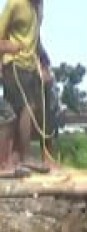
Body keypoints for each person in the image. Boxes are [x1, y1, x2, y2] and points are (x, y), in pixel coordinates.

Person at [0, 0, 50, 174]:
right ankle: (24, 157)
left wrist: (43, 65)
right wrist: (8, 47)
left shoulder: (36, 7)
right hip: (13, 64)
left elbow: (35, 41)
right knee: (23, 109)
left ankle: (13, 159)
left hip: (29, 66)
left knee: (20, 111)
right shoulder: (14, 4)